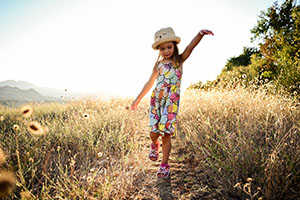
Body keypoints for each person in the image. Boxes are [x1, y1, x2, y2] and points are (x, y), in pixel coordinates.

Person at [131, 27, 214, 177]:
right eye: (162, 48)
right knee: (153, 132)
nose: (166, 51)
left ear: (174, 46)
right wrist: (138, 98)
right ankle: (154, 144)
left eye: (169, 47)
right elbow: (150, 82)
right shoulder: (158, 65)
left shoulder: (178, 60)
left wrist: (200, 34)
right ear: (159, 50)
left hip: (171, 103)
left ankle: (164, 165)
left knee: (166, 134)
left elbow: (190, 47)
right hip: (157, 100)